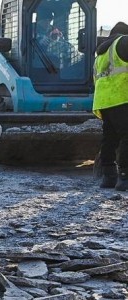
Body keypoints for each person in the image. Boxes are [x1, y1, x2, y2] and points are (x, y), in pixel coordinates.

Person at [93, 21, 128, 190]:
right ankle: (125, 177)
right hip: (121, 97)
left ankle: (108, 177)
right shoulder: (123, 43)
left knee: (110, 137)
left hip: (103, 101)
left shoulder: (101, 53)